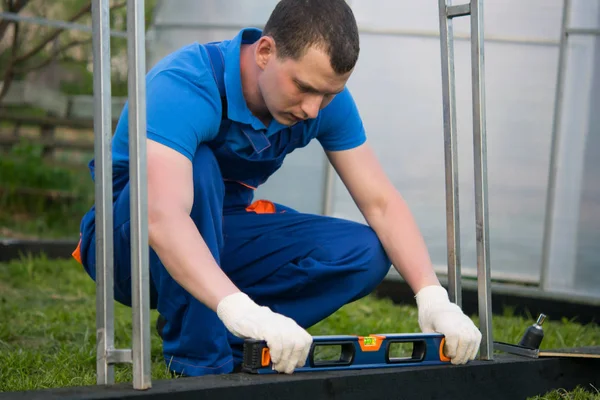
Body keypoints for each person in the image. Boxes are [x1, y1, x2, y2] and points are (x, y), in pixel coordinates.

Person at [72, 0, 482, 377]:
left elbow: (381, 203)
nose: (312, 109)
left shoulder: (320, 100)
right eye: (303, 88)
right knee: (200, 167)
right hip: (129, 246)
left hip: (219, 234)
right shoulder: (182, 85)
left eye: (329, 94)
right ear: (265, 52)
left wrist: (432, 297)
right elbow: (162, 218)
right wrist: (239, 307)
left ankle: (243, 345)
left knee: (365, 252)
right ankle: (202, 359)